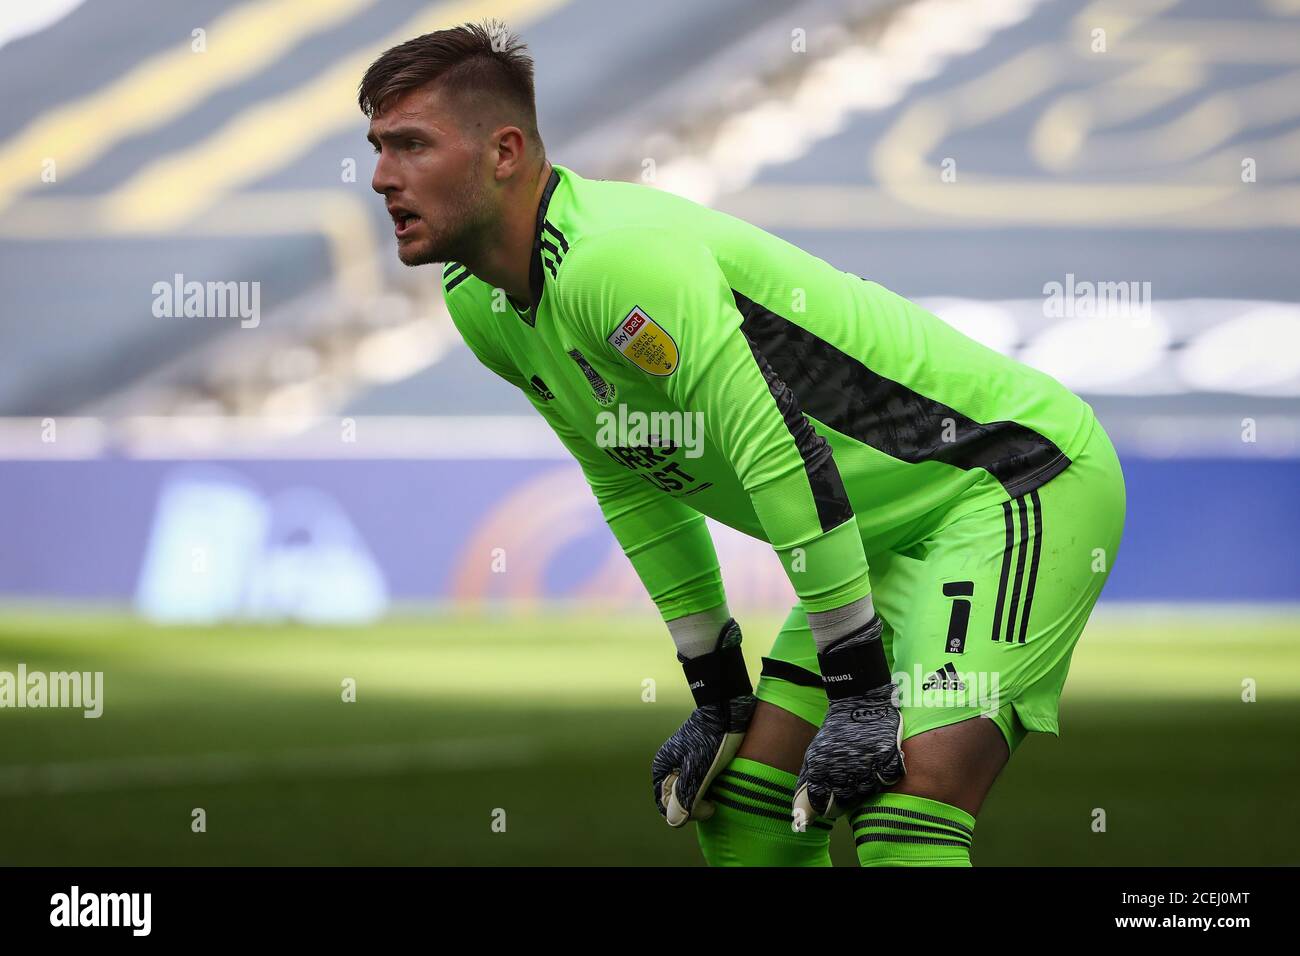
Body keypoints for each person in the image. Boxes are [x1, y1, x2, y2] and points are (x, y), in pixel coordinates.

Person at [359, 20, 1126, 866]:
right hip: (878, 531)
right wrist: (716, 687)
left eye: (410, 146)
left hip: (1010, 481)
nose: (382, 178)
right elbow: (628, 477)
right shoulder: (483, 303)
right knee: (748, 815)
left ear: (505, 151)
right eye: (378, 148)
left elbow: (777, 453)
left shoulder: (613, 266)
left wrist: (861, 692)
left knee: (904, 817)